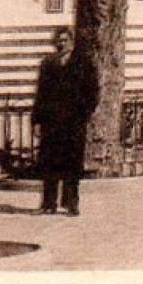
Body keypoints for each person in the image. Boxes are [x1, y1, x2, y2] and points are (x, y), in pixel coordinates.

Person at [33, 28, 98, 216]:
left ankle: (71, 203)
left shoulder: (83, 64)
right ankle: (48, 203)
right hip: (51, 123)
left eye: (64, 40)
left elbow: (92, 92)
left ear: (71, 42)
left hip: (73, 124)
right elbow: (40, 95)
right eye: (58, 41)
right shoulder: (47, 64)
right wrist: (37, 121)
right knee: (50, 163)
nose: (61, 44)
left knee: (72, 164)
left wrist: (83, 115)